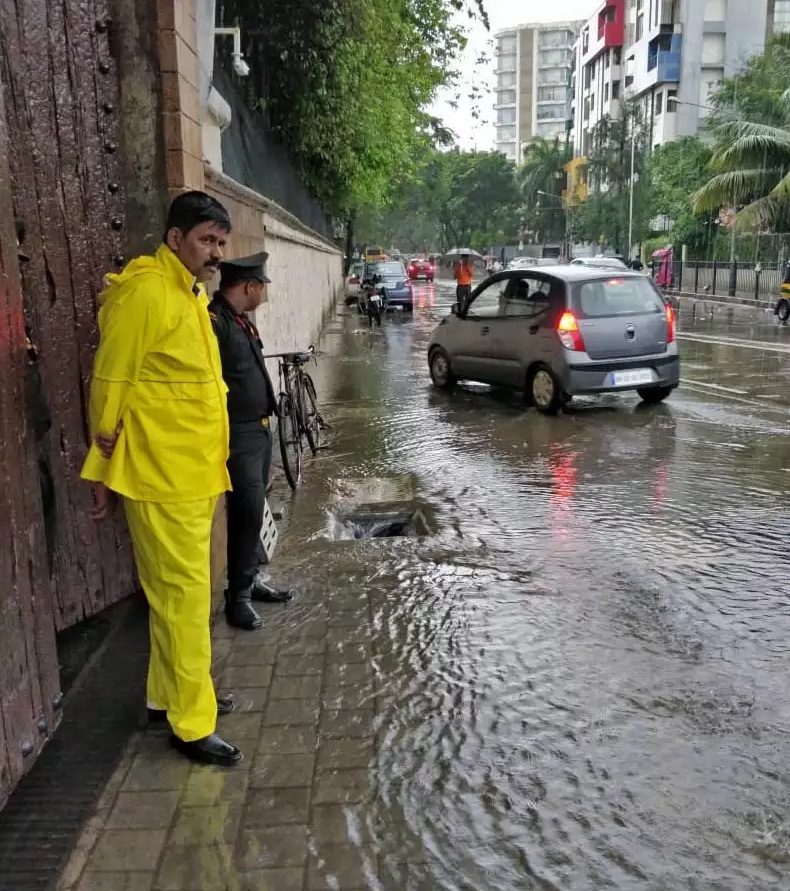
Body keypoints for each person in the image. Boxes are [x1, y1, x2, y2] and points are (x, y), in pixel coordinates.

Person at [81, 191, 243, 768]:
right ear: (175, 239)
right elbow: (112, 382)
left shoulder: (188, 294)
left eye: (220, 243)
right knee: (183, 598)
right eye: (205, 240)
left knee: (177, 595)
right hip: (162, 475)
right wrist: (101, 470)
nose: (214, 252)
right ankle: (192, 723)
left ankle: (168, 695)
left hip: (193, 472)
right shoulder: (147, 292)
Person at [208, 253, 294, 632]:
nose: (264, 292)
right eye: (262, 286)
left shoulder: (241, 321)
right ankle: (237, 598)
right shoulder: (215, 323)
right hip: (237, 433)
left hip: (257, 431)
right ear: (249, 287)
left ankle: (251, 578)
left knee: (255, 507)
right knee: (244, 512)